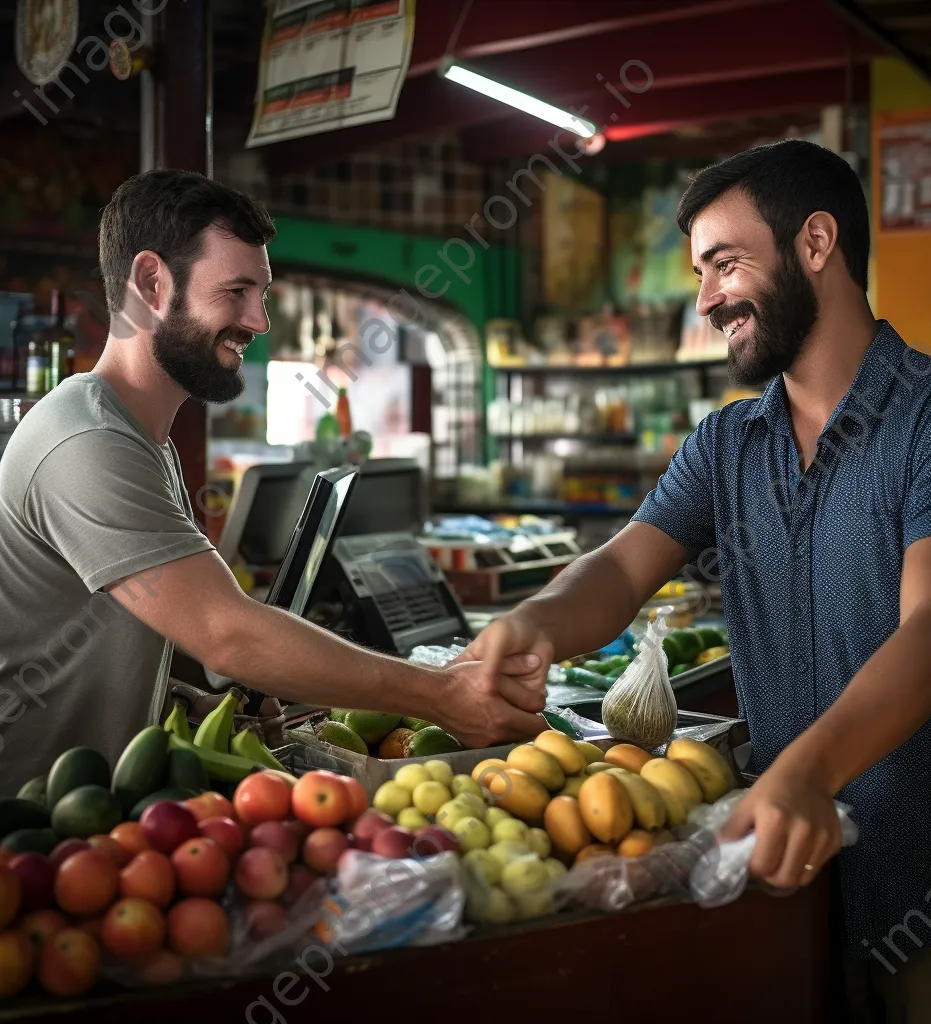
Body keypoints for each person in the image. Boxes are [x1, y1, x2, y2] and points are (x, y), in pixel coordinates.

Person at [463, 140, 931, 1023]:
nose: (708, 299)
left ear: (815, 243)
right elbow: (620, 566)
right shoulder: (727, 445)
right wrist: (536, 622)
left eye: (726, 263)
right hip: (787, 888)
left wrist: (805, 771)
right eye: (700, 273)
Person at [0, 170, 544, 790]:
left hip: (96, 815)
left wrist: (197, 703)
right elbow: (227, 635)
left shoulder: (141, 439)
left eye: (262, 293)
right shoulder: (86, 443)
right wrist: (443, 696)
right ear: (152, 283)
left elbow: (126, 635)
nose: (258, 321)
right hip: (33, 831)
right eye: (235, 291)